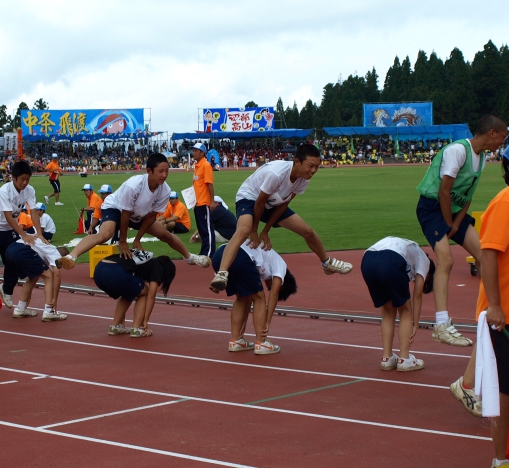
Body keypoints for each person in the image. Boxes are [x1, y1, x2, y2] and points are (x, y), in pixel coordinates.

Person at [210, 143, 352, 293]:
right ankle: (222, 273)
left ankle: (326, 263)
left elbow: (283, 204)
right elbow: (259, 203)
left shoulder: (304, 179)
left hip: (272, 202)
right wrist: (254, 230)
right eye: (311, 166)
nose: (314, 170)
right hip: (250, 197)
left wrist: (266, 231)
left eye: (317, 166)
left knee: (307, 231)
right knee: (244, 230)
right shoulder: (276, 174)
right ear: (297, 161)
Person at [416, 114, 508, 346]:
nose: (503, 142)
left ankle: (491, 309)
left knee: (483, 255)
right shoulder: (457, 151)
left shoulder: (482, 157)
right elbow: (443, 191)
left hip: (454, 211)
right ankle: (441, 325)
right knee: (446, 260)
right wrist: (449, 224)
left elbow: (467, 195)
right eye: (503, 137)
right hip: (433, 208)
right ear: (492, 133)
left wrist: (456, 224)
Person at [56, 153, 210, 270]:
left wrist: (137, 239)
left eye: (166, 171)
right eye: (160, 171)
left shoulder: (165, 191)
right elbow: (125, 214)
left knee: (165, 234)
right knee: (105, 234)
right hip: (116, 207)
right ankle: (71, 256)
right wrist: (123, 242)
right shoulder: (134, 185)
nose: (164, 175)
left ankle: (190, 257)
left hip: (139, 213)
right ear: (149, 171)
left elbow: (151, 217)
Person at [466, 151, 509, 467]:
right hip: (504, 315)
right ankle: (501, 459)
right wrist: (495, 305)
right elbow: (489, 254)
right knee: (504, 390)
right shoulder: (505, 203)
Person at [0, 160, 47, 308]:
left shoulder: (29, 190)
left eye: (27, 179)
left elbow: (33, 212)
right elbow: (9, 217)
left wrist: (39, 233)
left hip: (9, 230)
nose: (25, 183)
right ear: (13, 177)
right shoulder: (4, 191)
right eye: (22, 179)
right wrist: (23, 234)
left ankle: (6, 290)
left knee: (13, 260)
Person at [361, 237, 435, 371]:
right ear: (429, 273)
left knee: (388, 311)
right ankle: (404, 359)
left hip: (367, 260)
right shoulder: (425, 260)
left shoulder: (409, 252)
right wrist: (415, 324)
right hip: (391, 259)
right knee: (405, 311)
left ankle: (387, 358)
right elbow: (417, 294)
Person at [212, 243, 297, 354]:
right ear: (283, 282)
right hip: (239, 255)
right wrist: (267, 322)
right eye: (271, 285)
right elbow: (274, 294)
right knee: (259, 298)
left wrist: (243, 322)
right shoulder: (281, 265)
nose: (269, 285)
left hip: (220, 256)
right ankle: (261, 343)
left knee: (243, 297)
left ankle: (236, 340)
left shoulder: (262, 264)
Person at [94, 249, 176, 337]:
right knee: (145, 293)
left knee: (128, 293)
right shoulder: (157, 266)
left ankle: (115, 326)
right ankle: (136, 329)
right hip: (116, 271)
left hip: (99, 270)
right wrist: (145, 321)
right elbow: (151, 296)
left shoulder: (145, 259)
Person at [4, 238, 69, 321]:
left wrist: (28, 296)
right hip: (22, 250)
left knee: (35, 276)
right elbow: (57, 275)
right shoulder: (55, 254)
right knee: (49, 276)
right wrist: (54, 299)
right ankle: (49, 311)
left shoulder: (45, 251)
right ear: (63, 258)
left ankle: (20, 308)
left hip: (10, 250)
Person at [192, 143, 216, 258]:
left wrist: (212, 201)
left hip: (204, 202)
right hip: (197, 202)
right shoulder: (197, 166)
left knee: (207, 229)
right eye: (193, 150)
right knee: (202, 229)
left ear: (202, 153)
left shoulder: (205, 165)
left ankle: (210, 252)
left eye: (196, 151)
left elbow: (209, 184)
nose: (194, 153)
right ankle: (204, 251)